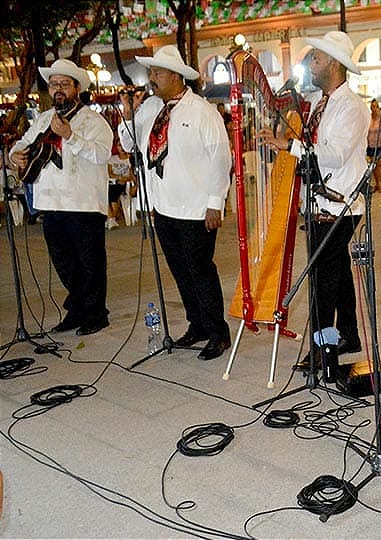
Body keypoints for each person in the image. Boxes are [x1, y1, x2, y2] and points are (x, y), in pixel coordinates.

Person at [261, 31, 369, 367]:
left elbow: (335, 155)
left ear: (334, 64)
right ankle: (348, 334)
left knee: (323, 281)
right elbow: (314, 148)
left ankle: (324, 350)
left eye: (317, 58)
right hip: (321, 202)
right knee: (337, 272)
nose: (311, 63)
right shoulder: (320, 103)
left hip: (339, 205)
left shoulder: (351, 106)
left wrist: (289, 146)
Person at [118, 45, 232, 361]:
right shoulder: (151, 108)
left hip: (196, 209)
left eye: (157, 72)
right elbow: (128, 143)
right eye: (151, 72)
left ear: (175, 76)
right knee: (180, 272)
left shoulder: (202, 111)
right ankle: (197, 324)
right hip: (163, 207)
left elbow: (220, 159)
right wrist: (129, 113)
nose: (151, 78)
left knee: (200, 271)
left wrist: (215, 203)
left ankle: (218, 332)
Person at [10, 59, 113, 336]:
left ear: (77, 88)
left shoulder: (93, 121)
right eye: (54, 84)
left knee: (90, 263)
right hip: (51, 203)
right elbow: (23, 143)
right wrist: (15, 154)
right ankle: (77, 310)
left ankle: (96, 314)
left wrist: (70, 136)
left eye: (64, 84)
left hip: (83, 204)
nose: (58, 89)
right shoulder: (44, 119)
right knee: (65, 263)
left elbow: (102, 154)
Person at [366, 98, 381, 192]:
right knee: (374, 165)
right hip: (370, 145)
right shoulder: (368, 118)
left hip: (380, 144)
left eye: (376, 106)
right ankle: (377, 183)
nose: (374, 108)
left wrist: (380, 117)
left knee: (380, 164)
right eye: (373, 106)